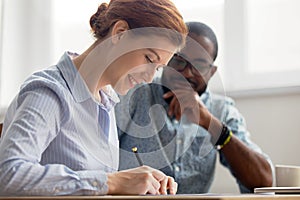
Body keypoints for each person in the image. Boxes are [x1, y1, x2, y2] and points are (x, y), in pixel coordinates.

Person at [0, 0, 188, 196]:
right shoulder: (50, 92)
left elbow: (93, 185)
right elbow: (8, 174)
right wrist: (111, 182)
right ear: (120, 32)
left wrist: (137, 183)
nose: (149, 78)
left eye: (157, 69)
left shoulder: (105, 102)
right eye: (149, 58)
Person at [116, 21, 274, 194]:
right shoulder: (133, 93)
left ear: (211, 72)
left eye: (198, 65)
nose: (186, 73)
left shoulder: (221, 110)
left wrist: (211, 124)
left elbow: (264, 181)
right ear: (166, 60)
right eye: (178, 61)